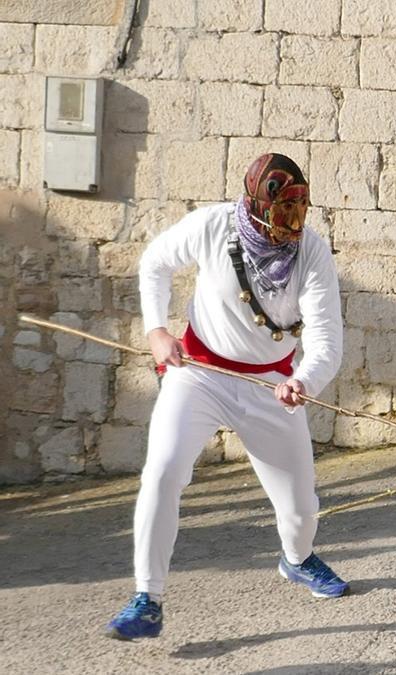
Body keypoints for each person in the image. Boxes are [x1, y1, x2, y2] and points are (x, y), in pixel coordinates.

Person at [105, 153, 347, 640]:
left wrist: (304, 381)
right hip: (199, 373)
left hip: (270, 386)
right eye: (284, 215)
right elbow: (155, 263)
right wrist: (156, 331)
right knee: (163, 470)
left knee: (301, 509)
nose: (292, 227)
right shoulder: (212, 225)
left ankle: (297, 560)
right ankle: (146, 599)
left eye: (300, 213)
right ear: (258, 207)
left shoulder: (312, 254)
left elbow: (326, 340)